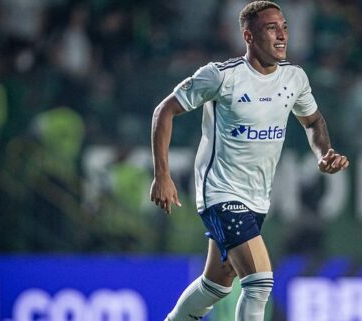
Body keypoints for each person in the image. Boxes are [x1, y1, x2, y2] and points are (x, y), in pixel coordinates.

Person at [149, 2, 349, 321]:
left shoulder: (294, 79)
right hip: (220, 193)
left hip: (257, 197)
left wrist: (322, 153)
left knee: (216, 285)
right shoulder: (221, 76)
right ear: (249, 35)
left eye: (284, 26)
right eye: (271, 28)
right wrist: (163, 175)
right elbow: (165, 111)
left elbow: (313, 122)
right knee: (259, 283)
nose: (282, 34)